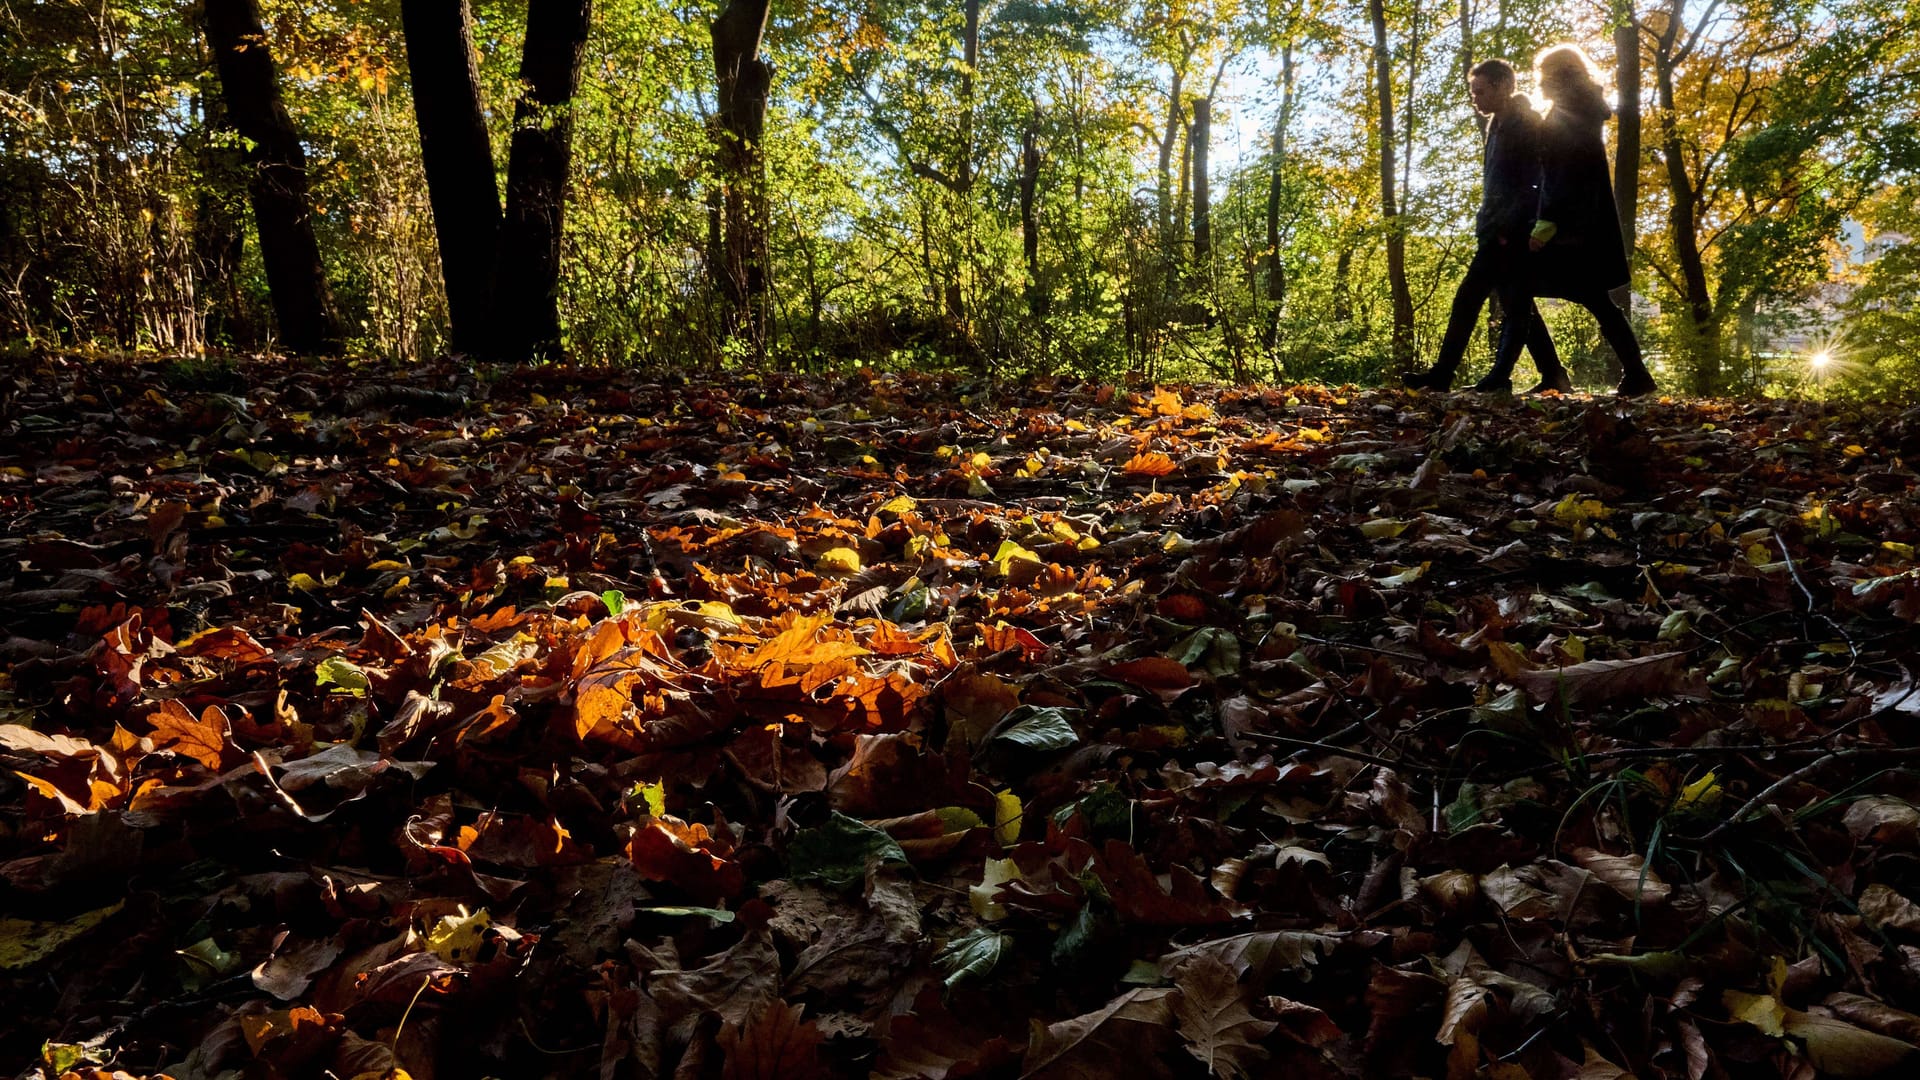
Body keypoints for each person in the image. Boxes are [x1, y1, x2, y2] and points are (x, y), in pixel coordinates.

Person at [1406, 59, 1571, 394]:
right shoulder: (1496, 125)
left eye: (1479, 91)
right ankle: (1553, 374)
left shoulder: (1526, 123)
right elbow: (1494, 183)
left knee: (1483, 300)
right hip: (1495, 230)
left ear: (1502, 87)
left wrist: (1512, 228)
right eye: (1472, 91)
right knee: (1513, 303)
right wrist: (1487, 223)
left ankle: (1455, 375)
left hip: (1512, 233)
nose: (1474, 98)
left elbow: (1535, 181)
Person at [1523, 44, 1658, 397]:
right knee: (1596, 300)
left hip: (1569, 227)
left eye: (1542, 76)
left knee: (1515, 288)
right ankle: (1636, 375)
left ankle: (1554, 374)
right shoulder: (1581, 110)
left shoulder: (1571, 113)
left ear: (1557, 75)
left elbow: (1563, 173)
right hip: (1583, 225)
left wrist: (1546, 222)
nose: (1538, 83)